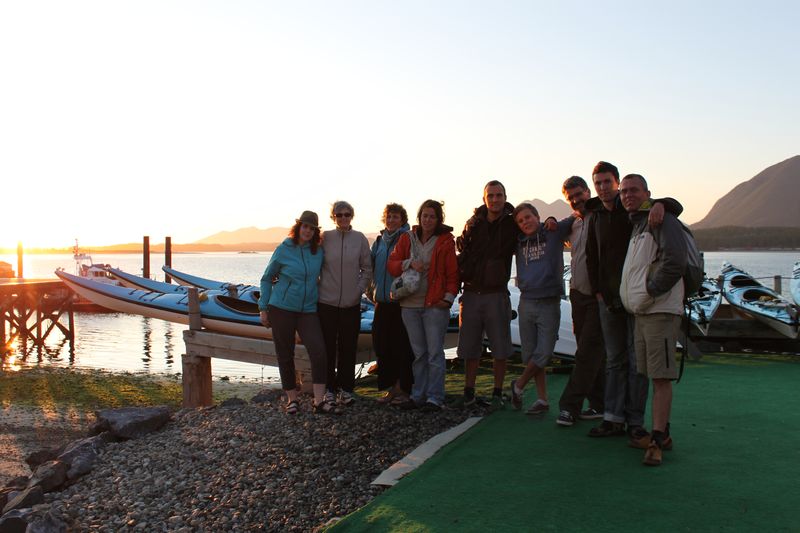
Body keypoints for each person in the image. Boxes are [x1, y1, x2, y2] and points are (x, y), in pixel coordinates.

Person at [585, 161, 681, 447]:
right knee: (615, 360)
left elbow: (671, 209)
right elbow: (591, 256)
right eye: (598, 183)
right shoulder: (595, 216)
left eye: (608, 182)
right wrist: (598, 291)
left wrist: (662, 203)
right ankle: (613, 418)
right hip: (609, 300)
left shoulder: (637, 213)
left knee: (638, 363)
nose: (603, 187)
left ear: (616, 183)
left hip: (639, 300)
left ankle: (635, 422)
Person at [619, 174, 685, 466]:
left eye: (634, 190)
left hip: (659, 311)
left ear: (647, 193)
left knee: (660, 377)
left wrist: (651, 291)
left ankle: (657, 441)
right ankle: (662, 434)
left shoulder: (661, 218)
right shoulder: (638, 224)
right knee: (650, 374)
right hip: (643, 312)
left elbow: (676, 260)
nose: (628, 195)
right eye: (624, 191)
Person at [257, 210, 340, 415]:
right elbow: (267, 278)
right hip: (281, 308)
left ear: (316, 232)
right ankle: (292, 399)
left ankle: (319, 401)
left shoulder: (317, 252)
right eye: (305, 226)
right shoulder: (284, 249)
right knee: (285, 354)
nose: (308, 231)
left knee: (319, 351)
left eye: (312, 228)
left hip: (308, 310)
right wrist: (263, 307)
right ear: (298, 227)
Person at [387, 200, 459, 411]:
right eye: (424, 216)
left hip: (435, 304)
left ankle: (434, 397)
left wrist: (448, 298)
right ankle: (418, 395)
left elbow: (453, 273)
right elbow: (392, 265)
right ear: (419, 217)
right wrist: (408, 263)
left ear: (438, 219)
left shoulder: (445, 241)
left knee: (435, 353)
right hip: (410, 304)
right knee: (419, 354)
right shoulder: (406, 238)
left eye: (432, 216)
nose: (427, 220)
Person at [454, 180, 519, 409]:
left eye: (498, 195)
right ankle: (468, 393)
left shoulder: (513, 223)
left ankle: (497, 393)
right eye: (490, 195)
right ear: (484, 198)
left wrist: (549, 221)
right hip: (471, 292)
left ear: (505, 197)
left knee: (500, 348)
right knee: (470, 348)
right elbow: (461, 246)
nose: (494, 199)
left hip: (496, 293)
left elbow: (531, 229)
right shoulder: (474, 223)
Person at [508, 202, 573, 415]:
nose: (525, 222)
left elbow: (574, 216)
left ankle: (518, 385)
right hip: (526, 301)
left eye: (528, 217)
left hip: (549, 302)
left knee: (544, 353)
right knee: (531, 354)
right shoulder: (518, 240)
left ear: (537, 216)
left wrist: (551, 219)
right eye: (520, 221)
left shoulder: (553, 232)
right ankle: (542, 400)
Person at [555, 176, 607, 427]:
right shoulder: (573, 224)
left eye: (579, 194)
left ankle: (569, 407)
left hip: (599, 296)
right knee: (592, 353)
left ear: (588, 191)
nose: (576, 200)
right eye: (571, 197)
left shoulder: (603, 215)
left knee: (587, 352)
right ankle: (600, 404)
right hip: (577, 294)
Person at [318, 201, 372, 406]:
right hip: (326, 303)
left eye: (347, 214)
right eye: (339, 215)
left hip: (351, 303)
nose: (343, 218)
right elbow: (314, 266)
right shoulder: (325, 238)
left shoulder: (360, 239)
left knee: (348, 348)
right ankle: (329, 389)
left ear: (352, 216)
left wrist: (357, 292)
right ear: (333, 217)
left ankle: (346, 389)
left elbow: (367, 269)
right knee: (328, 348)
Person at [369, 203, 414, 405]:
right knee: (382, 345)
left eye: (395, 217)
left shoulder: (407, 239)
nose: (391, 220)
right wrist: (370, 291)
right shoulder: (379, 242)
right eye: (388, 216)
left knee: (401, 348)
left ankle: (403, 388)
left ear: (402, 219)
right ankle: (390, 388)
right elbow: (369, 268)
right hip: (381, 301)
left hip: (400, 301)